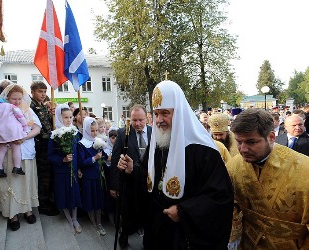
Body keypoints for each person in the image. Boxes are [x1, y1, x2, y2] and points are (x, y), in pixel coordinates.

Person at [118, 81, 233, 249]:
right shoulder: (157, 144)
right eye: (156, 114)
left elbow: (220, 197)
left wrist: (184, 211)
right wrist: (133, 170)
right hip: (156, 228)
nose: (159, 120)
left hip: (183, 236)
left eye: (165, 113)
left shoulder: (203, 151)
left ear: (179, 113)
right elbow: (149, 178)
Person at [227, 108, 309, 249]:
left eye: (251, 142)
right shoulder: (234, 166)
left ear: (271, 137)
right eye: (239, 142)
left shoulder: (304, 169)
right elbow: (230, 204)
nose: (243, 149)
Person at [0, 84, 41, 231]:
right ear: (7, 97)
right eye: (14, 99)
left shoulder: (27, 110)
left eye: (19, 98)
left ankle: (27, 210)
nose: (17, 102)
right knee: (9, 182)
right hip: (6, 152)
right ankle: (12, 214)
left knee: (24, 180)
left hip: (24, 150)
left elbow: (37, 128)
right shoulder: (0, 109)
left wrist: (23, 137)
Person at [111, 104, 152, 248]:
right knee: (127, 214)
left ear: (147, 118)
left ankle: (147, 241)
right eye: (134, 120)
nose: (137, 124)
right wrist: (114, 186)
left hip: (148, 183)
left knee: (148, 214)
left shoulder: (155, 133)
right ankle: (124, 237)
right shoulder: (123, 134)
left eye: (140, 120)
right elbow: (116, 159)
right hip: (128, 183)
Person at [48, 104, 82, 234]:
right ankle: (68, 218)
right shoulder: (54, 135)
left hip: (73, 170)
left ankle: (75, 219)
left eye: (70, 117)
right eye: (65, 117)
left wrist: (78, 167)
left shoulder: (75, 133)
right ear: (59, 117)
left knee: (73, 193)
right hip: (61, 171)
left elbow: (78, 153)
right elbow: (50, 156)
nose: (68, 120)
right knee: (63, 194)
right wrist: (62, 159)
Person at [30, 81, 59, 216]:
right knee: (43, 175)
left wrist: (51, 113)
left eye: (44, 92)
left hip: (48, 144)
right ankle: (43, 203)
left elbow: (48, 123)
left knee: (48, 173)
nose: (43, 94)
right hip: (40, 144)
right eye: (40, 91)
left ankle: (47, 199)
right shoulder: (30, 106)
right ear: (33, 92)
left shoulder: (42, 106)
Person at [77, 117, 108, 236]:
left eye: (96, 130)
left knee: (98, 200)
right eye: (92, 131)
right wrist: (94, 159)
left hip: (98, 176)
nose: (95, 133)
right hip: (88, 177)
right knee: (90, 200)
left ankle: (99, 223)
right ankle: (93, 223)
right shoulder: (81, 144)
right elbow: (81, 162)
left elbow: (104, 156)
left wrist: (106, 157)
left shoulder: (98, 141)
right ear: (85, 130)